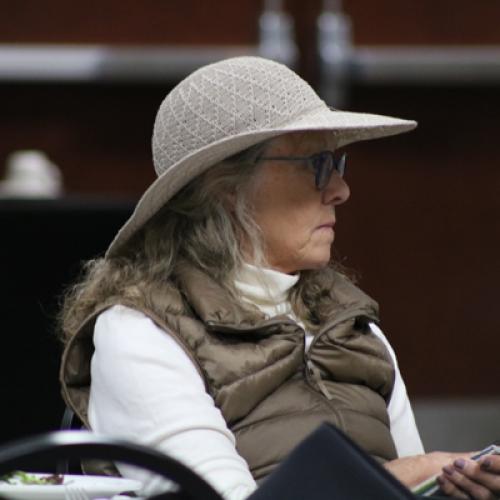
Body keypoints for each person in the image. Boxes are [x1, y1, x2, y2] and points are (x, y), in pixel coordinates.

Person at [59, 56, 500, 499]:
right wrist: (400, 476)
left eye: (337, 164)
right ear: (226, 187)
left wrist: (458, 485)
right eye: (316, 164)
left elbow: (418, 485)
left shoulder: (350, 321)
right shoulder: (141, 332)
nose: (340, 189)